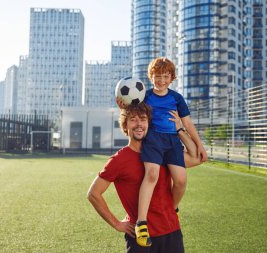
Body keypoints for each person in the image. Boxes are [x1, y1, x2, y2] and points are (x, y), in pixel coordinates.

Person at [87, 103, 202, 252]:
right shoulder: (119, 160)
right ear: (125, 125)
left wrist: (179, 129)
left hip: (172, 231)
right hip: (141, 236)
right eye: (133, 119)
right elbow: (93, 194)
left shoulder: (163, 152)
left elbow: (196, 157)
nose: (139, 124)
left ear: (149, 123)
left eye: (143, 119)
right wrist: (117, 224)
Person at [135, 57, 208, 246]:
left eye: (166, 76)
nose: (161, 80)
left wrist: (199, 145)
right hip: (153, 140)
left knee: (181, 180)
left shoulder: (176, 98)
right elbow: (133, 113)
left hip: (173, 142)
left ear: (172, 77)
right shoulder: (146, 96)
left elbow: (188, 123)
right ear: (151, 77)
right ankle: (141, 222)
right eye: (157, 76)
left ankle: (172, 208)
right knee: (152, 174)